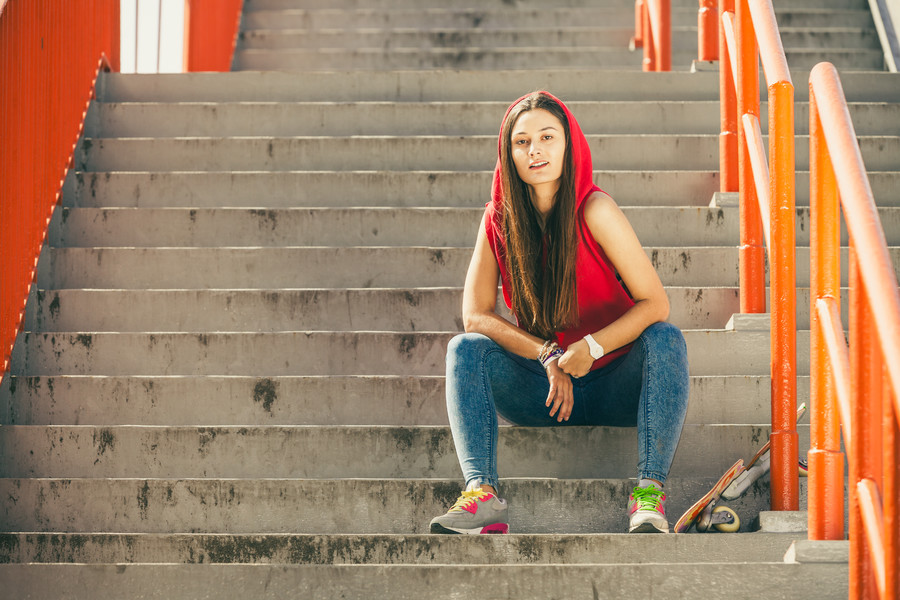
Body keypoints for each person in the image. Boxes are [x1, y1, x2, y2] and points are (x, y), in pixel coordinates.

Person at [429, 91, 690, 535]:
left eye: (547, 137)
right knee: (465, 348)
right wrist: (547, 355)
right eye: (522, 141)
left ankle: (649, 495)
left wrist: (591, 347)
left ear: (568, 144)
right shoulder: (498, 220)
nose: (535, 151)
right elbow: (476, 316)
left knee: (666, 338)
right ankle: (482, 495)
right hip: (546, 394)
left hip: (616, 384)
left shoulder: (596, 210)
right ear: (507, 154)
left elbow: (655, 303)